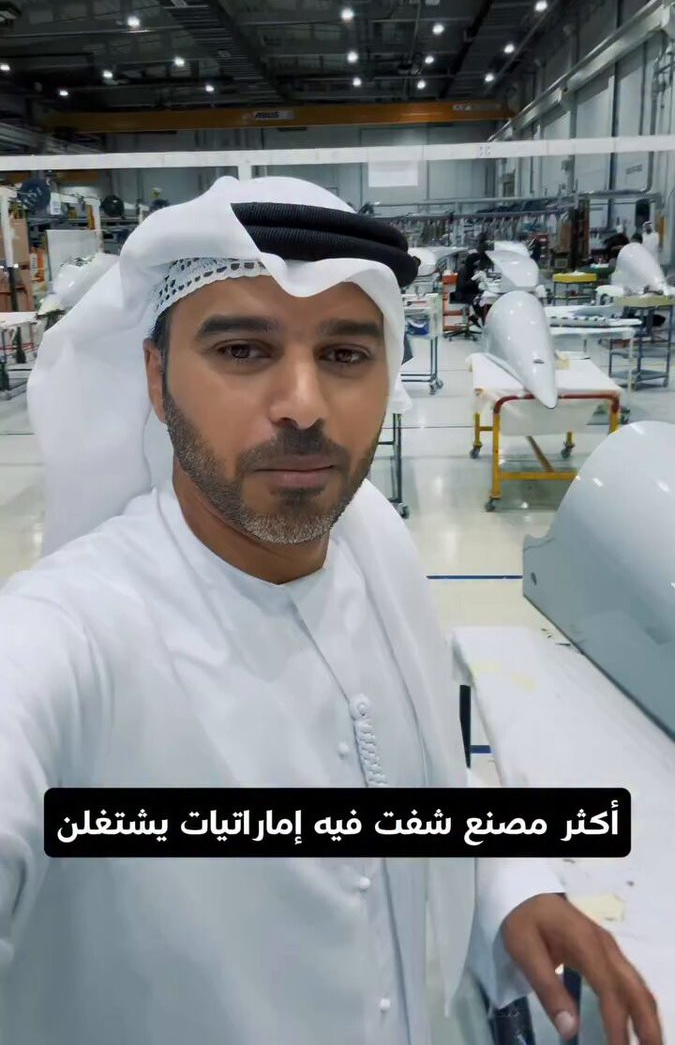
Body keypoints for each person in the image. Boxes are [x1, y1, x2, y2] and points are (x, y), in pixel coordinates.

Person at [0, 178, 661, 1045]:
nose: (303, 405)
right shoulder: (64, 637)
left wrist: (509, 885)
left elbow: (416, 774)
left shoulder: (371, 542)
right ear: (157, 381)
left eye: (345, 354)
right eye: (242, 350)